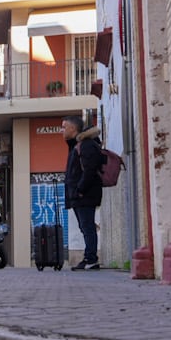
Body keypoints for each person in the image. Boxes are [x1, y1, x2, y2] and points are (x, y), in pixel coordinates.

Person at [63, 113, 106, 270]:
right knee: (85, 226)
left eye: (64, 127)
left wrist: (80, 189)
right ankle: (89, 257)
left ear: (73, 128)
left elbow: (89, 170)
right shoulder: (76, 145)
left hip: (85, 194)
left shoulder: (86, 145)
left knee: (87, 226)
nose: (62, 130)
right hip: (79, 194)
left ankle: (91, 259)